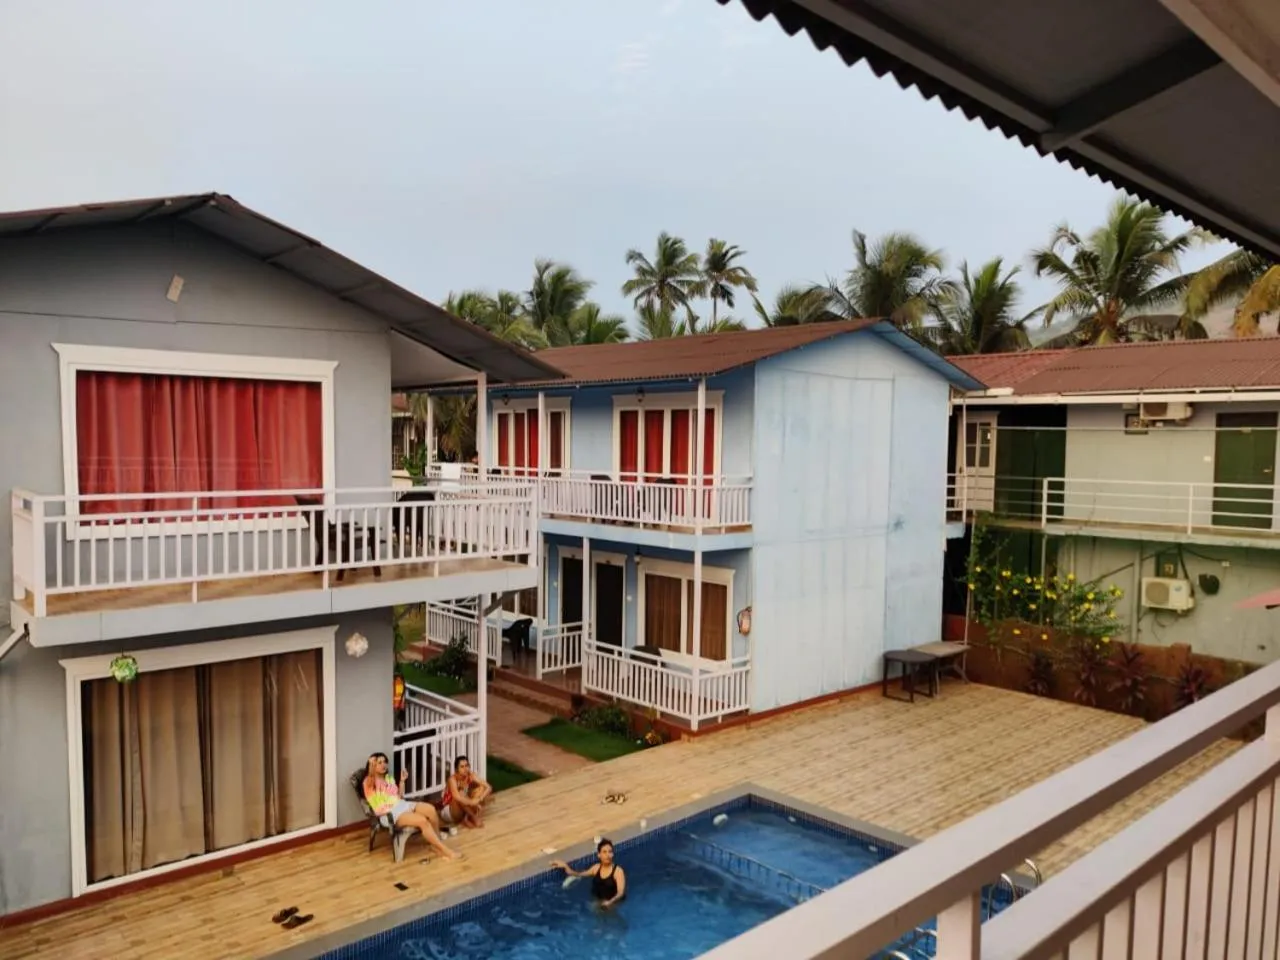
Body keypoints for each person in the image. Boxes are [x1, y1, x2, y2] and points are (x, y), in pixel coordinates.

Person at [362, 753, 461, 860]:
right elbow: (377, 807)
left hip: (401, 804)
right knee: (422, 821)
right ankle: (446, 851)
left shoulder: (388, 778)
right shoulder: (368, 782)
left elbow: (398, 796)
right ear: (372, 765)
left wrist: (402, 781)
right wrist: (371, 769)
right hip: (389, 814)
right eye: (379, 763)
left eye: (384, 762)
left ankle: (435, 844)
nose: (383, 765)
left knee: (431, 810)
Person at [551, 839, 627, 909]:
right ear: (599, 855)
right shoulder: (596, 868)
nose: (607, 855)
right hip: (600, 901)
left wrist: (610, 902)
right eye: (604, 852)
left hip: (613, 903)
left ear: (612, 854)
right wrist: (565, 866)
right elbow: (579, 874)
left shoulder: (618, 871)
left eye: (610, 852)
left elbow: (620, 892)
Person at [441, 755, 493, 828]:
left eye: (466, 765)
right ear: (456, 769)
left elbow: (488, 787)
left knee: (481, 788)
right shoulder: (452, 780)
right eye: (462, 767)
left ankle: (466, 818)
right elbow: (457, 797)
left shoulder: (471, 775)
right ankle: (473, 817)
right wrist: (473, 803)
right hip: (449, 811)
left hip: (463, 806)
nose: (465, 769)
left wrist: (479, 799)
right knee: (460, 794)